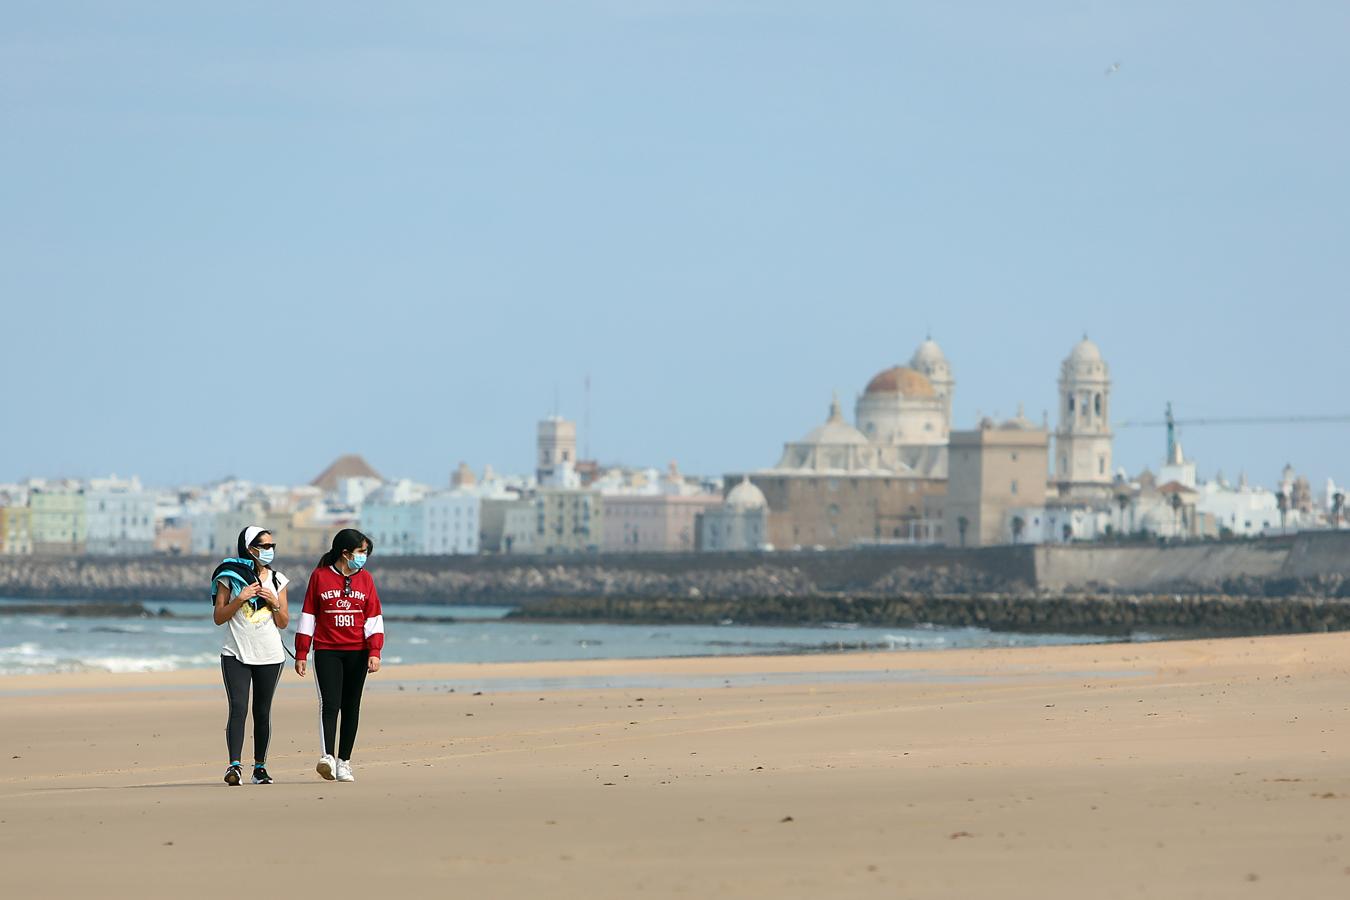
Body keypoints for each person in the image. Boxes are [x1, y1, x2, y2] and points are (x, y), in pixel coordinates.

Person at [294, 528, 384, 783]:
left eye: (365, 552)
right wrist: (302, 651)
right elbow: (309, 615)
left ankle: (345, 761)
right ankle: (328, 758)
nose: (364, 556)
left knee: (351, 706)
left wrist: (375, 651)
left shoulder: (366, 579)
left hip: (358, 651)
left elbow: (373, 618)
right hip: (327, 650)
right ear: (345, 553)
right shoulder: (320, 577)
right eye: (361, 552)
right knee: (330, 704)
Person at [211, 525, 289, 786]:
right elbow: (219, 617)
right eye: (265, 546)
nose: (270, 551)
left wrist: (274, 602)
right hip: (235, 654)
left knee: (262, 711)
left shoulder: (278, 580)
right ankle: (234, 766)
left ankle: (260, 768)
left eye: (272, 546)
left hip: (270, 655)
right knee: (238, 708)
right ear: (250, 548)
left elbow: (283, 622)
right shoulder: (229, 577)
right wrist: (240, 598)